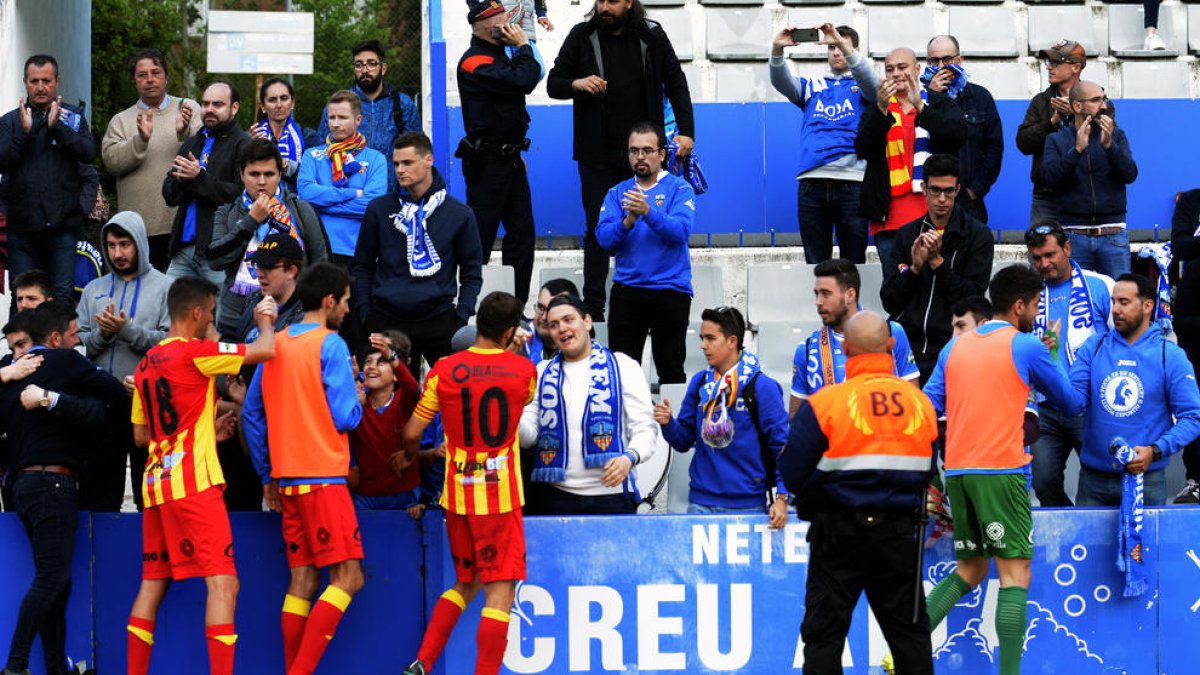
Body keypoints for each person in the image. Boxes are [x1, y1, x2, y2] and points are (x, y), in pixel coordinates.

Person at [922, 265, 1084, 675]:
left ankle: (901, 651)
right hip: (1001, 471)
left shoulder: (952, 348)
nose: (1035, 313)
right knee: (1015, 574)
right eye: (1034, 305)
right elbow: (1068, 402)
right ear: (1018, 306)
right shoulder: (1026, 345)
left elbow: (927, 407)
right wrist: (1050, 353)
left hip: (958, 473)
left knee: (970, 569)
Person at [125, 276, 278, 675]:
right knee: (224, 585)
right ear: (197, 312)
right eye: (211, 311)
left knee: (151, 584)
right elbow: (266, 350)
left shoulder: (144, 364)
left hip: (156, 483)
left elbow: (142, 436)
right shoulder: (197, 351)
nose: (212, 317)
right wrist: (265, 319)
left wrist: (207, 423)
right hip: (194, 484)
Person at [779, 310, 937, 673]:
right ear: (892, 345)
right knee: (909, 637)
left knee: (824, 639)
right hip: (899, 537)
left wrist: (820, 500)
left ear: (845, 348)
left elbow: (792, 470)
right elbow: (927, 470)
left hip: (836, 537)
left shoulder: (826, 403)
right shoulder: (920, 405)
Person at [400, 292, 537, 675]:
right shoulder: (522, 370)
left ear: (478, 324)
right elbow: (524, 394)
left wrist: (412, 454)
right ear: (511, 331)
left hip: (457, 495)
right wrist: (521, 353)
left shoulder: (444, 369)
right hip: (499, 495)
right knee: (500, 592)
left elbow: (412, 431)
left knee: (465, 581)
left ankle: (423, 660)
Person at [242, 262, 364, 675]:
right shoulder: (332, 345)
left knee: (304, 583)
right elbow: (345, 417)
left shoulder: (275, 343)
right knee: (348, 579)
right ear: (329, 301)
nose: (347, 310)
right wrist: (358, 397)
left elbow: (251, 416)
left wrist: (267, 475)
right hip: (324, 480)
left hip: (288, 481)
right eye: (345, 302)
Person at [547, 0, 694, 321]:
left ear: (629, 2)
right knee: (597, 230)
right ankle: (594, 309)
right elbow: (553, 83)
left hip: (644, 154)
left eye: (612, 0)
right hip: (596, 154)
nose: (604, 6)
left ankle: (656, 291)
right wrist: (577, 83)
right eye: (599, 0)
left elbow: (677, 81)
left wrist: (687, 132)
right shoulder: (581, 35)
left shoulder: (651, 35)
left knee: (654, 220)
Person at [0, 301, 125, 675]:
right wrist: (69, 403)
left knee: (59, 582)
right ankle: (16, 665)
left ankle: (55, 667)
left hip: (21, 487)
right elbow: (114, 398)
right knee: (52, 578)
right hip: (54, 483)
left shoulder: (12, 374)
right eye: (74, 335)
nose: (77, 343)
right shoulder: (67, 362)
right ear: (55, 338)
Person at [353, 132, 483, 380]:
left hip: (440, 320)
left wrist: (461, 317)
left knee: (454, 398)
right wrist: (367, 315)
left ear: (428, 160)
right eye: (396, 164)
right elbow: (362, 266)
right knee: (391, 406)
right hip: (387, 320)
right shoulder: (379, 209)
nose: (400, 170)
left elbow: (471, 272)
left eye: (407, 163)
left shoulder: (459, 213)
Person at [1068, 273, 1200, 506]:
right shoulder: (1094, 346)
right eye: (1113, 302)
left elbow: (1193, 418)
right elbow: (1073, 401)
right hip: (1093, 481)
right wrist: (1048, 365)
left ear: (1147, 306)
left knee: (1145, 545)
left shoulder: (1169, 355)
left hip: (1146, 482)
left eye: (1124, 302)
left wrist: (1155, 451)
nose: (1115, 310)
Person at [518, 295, 657, 515]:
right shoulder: (542, 371)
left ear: (587, 322)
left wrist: (629, 458)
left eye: (568, 319)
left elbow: (645, 429)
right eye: (553, 325)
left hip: (612, 496)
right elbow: (528, 437)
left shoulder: (623, 365)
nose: (562, 328)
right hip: (554, 498)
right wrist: (508, 404)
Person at [655, 306, 790, 523]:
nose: (703, 345)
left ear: (732, 341)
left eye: (710, 338)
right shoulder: (700, 383)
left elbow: (782, 446)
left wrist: (782, 497)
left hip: (749, 506)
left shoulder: (762, 387)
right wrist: (669, 423)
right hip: (700, 505)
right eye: (702, 338)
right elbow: (683, 441)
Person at [75, 212, 172, 511]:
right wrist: (103, 335)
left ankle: (152, 554)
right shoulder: (93, 289)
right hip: (102, 405)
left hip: (147, 402)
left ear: (140, 243)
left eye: (125, 244)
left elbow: (171, 344)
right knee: (100, 493)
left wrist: (127, 330)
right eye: (111, 245)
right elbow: (79, 346)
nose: (117, 253)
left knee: (150, 494)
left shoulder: (166, 286)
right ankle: (102, 557)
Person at [595, 122, 695, 384]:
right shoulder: (617, 192)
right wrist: (627, 222)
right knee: (622, 374)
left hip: (671, 290)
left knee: (671, 371)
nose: (640, 157)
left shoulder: (680, 188)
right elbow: (603, 239)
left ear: (661, 154)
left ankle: (671, 425)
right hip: (628, 290)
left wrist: (648, 212)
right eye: (633, 151)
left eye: (647, 150)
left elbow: (681, 231)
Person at [880, 154, 993, 383]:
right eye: (935, 190)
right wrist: (914, 269)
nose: (942, 199)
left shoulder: (978, 235)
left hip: (951, 350)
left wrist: (938, 264)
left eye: (949, 191)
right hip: (905, 350)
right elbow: (889, 300)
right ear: (923, 188)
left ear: (958, 189)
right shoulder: (906, 234)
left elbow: (973, 300)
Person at [769, 23, 877, 263]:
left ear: (856, 50)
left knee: (853, 263)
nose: (836, 52)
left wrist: (845, 48)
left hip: (853, 184)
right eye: (831, 47)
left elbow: (875, 89)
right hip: (811, 184)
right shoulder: (812, 85)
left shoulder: (864, 86)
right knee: (816, 265)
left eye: (841, 46)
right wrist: (777, 51)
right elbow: (781, 83)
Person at [456, 0, 540, 304]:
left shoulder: (496, 55)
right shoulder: (474, 61)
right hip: (487, 163)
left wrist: (516, 155)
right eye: (505, 17)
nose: (512, 22)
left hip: (511, 160)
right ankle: (468, 307)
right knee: (481, 238)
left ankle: (515, 308)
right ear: (490, 26)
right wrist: (523, 46)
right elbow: (525, 80)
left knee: (522, 236)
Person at [1024, 221, 1113, 506]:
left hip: (1090, 406)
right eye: (1036, 258)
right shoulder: (1027, 293)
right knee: (1044, 483)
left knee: (1099, 482)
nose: (1044, 263)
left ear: (1067, 248)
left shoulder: (1100, 285)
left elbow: (1122, 340)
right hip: (1045, 407)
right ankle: (1070, 538)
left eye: (1050, 255)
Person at [208, 138, 330, 338]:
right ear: (241, 174)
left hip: (292, 319)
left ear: (280, 175)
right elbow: (215, 260)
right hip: (235, 320)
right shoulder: (227, 212)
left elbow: (321, 264)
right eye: (254, 174)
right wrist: (251, 221)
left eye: (269, 174)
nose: (262, 182)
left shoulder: (300, 209)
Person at [855, 47, 965, 268]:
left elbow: (956, 136)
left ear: (917, 70)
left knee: (933, 283)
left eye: (902, 67)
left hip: (932, 212)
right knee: (898, 286)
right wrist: (880, 111)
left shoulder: (936, 101)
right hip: (889, 218)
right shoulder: (878, 107)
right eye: (890, 69)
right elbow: (862, 148)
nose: (896, 73)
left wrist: (920, 106)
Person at [0, 55, 96, 303]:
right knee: (23, 297)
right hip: (21, 230)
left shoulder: (72, 116)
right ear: (25, 82)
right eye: (34, 81)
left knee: (63, 295)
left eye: (46, 80)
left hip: (63, 228)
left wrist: (58, 128)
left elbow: (88, 153)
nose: (40, 87)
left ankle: (60, 343)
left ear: (57, 82)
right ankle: (23, 343)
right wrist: (23, 133)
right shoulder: (10, 121)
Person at [101, 49, 203, 270]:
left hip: (181, 226)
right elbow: (111, 162)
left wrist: (184, 133)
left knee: (178, 297)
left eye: (156, 73)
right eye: (142, 75)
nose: (149, 80)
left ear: (166, 77)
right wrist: (140, 140)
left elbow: (208, 153)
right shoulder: (121, 121)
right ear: (134, 81)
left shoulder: (188, 109)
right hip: (137, 229)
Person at [791, 258, 920, 417]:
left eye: (826, 294)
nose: (818, 302)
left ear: (850, 295)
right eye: (817, 294)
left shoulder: (891, 333)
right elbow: (795, 417)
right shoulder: (807, 349)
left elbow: (913, 402)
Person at [1041, 80, 1138, 279]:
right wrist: (1076, 150)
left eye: (1104, 100)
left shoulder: (1117, 136)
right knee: (1077, 302)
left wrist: (1110, 146)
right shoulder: (1056, 140)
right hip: (1073, 236)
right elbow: (1049, 180)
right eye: (1096, 101)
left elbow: (1130, 174)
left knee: (1118, 302)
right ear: (1077, 106)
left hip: (1113, 234)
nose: (1103, 106)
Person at [1016, 39, 1114, 226]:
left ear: (1076, 67)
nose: (1049, 67)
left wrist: (1078, 113)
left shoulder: (1099, 100)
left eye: (1056, 62)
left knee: (1078, 254)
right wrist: (1053, 122)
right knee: (1042, 252)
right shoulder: (1041, 101)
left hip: (1085, 194)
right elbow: (1023, 143)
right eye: (1048, 62)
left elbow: (1109, 137)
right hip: (1046, 196)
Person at [162, 80, 250, 286]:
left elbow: (242, 195)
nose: (209, 109)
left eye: (218, 104)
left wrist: (199, 178)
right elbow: (169, 195)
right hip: (182, 251)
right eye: (205, 104)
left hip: (217, 252)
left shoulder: (243, 144)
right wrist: (183, 180)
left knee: (219, 317)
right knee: (169, 314)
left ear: (234, 108)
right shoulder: (193, 142)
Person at [316, 40, 420, 193]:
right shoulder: (339, 105)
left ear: (383, 68)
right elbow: (322, 148)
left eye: (371, 64)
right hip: (348, 193)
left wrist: (405, 196)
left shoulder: (402, 104)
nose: (365, 70)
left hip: (390, 194)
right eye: (359, 65)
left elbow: (414, 151)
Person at [298, 90, 388, 267]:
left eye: (342, 117)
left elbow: (372, 206)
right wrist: (353, 193)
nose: (336, 124)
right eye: (332, 117)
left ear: (358, 120)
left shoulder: (376, 158)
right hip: (319, 249)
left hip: (359, 250)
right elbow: (306, 195)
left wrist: (322, 206)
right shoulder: (311, 155)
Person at [924, 36, 1003, 224]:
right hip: (928, 199)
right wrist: (933, 96)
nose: (941, 66)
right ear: (927, 63)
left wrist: (975, 190)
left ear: (959, 61)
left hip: (969, 201)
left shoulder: (980, 97)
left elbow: (994, 148)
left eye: (947, 59)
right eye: (935, 61)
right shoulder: (920, 99)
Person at [347, 342, 421, 510]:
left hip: (405, 495)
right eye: (368, 362)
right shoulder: (357, 404)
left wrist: (393, 357)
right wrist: (351, 381)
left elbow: (412, 386)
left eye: (381, 362)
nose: (372, 367)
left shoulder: (403, 402)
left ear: (396, 376)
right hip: (365, 497)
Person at [1170, 188, 1200, 503]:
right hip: (1196, 351)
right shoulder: (1195, 270)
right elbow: (1180, 245)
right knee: (1196, 408)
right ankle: (1196, 481)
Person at [229, 233, 308, 344]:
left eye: (268, 267)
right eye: (258, 265)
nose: (260, 274)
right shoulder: (254, 297)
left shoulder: (306, 312)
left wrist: (267, 327)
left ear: (291, 271)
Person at [252, 77, 306, 192]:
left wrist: (287, 166)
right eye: (272, 100)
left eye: (284, 98)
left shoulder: (307, 135)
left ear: (292, 103)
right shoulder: (252, 136)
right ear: (262, 107)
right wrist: (250, 147)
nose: (279, 105)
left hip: (296, 203)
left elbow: (311, 176)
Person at [528, 278, 579, 363]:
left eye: (551, 311)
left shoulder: (586, 353)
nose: (544, 317)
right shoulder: (517, 341)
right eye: (541, 308)